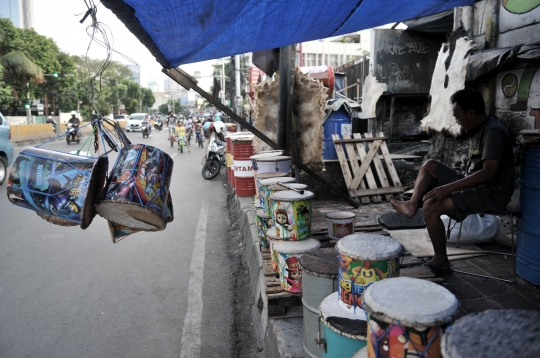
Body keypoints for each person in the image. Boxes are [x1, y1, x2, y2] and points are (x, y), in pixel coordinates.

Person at [390, 88, 515, 275]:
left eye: (458, 117)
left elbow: (488, 173)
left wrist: (447, 189)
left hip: (491, 192)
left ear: (471, 113)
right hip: (476, 185)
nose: (457, 122)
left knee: (432, 206)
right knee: (429, 165)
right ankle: (412, 204)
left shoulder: (493, 132)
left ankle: (441, 260)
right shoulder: (478, 129)